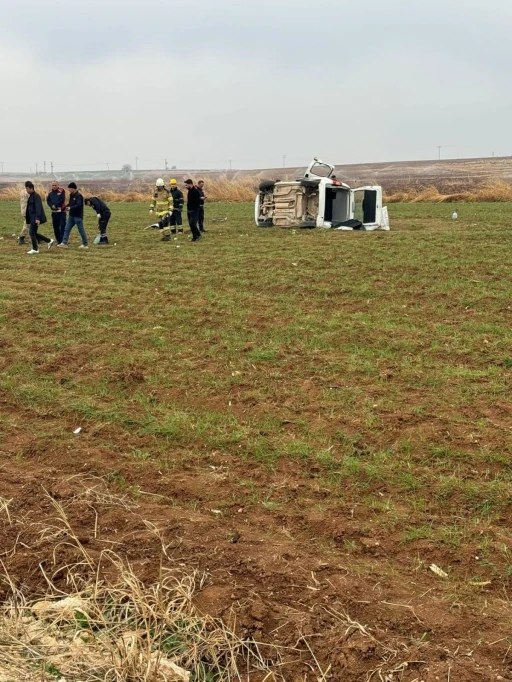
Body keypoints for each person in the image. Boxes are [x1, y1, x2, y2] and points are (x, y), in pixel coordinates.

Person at [24, 181, 53, 255]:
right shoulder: (31, 196)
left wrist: (37, 218)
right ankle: (49, 241)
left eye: (27, 189)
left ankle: (35, 249)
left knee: (31, 233)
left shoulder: (36, 196)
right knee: (33, 233)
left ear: (31, 188)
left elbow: (38, 207)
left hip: (35, 218)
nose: (26, 190)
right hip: (32, 218)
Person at [58, 182, 88, 248]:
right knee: (67, 229)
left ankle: (85, 244)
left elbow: (79, 205)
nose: (68, 190)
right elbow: (70, 203)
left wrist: (70, 208)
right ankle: (64, 243)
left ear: (73, 188)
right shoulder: (71, 195)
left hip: (78, 216)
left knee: (81, 230)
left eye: (69, 189)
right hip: (71, 216)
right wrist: (64, 208)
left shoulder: (79, 196)